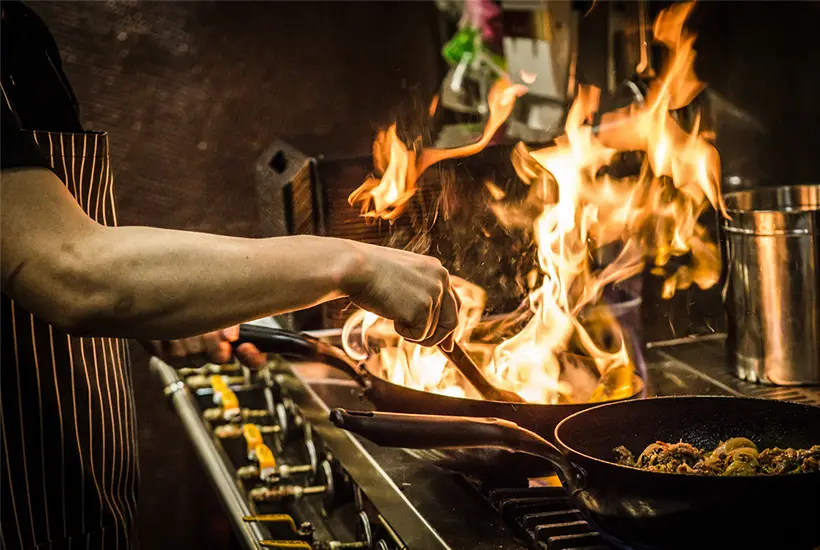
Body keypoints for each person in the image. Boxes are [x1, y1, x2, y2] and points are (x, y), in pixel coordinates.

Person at [0, 2, 459, 549]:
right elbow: (66, 269)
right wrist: (354, 265)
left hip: (67, 495)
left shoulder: (15, 29)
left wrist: (163, 307)